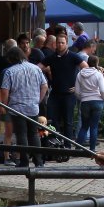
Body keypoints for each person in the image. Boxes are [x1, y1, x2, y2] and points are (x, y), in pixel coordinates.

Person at [0, 43, 48, 166]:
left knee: (21, 134)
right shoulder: (36, 68)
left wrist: (4, 105)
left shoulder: (9, 72)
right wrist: (38, 100)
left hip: (17, 108)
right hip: (33, 107)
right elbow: (44, 86)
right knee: (34, 134)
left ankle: (24, 162)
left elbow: (5, 91)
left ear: (11, 58)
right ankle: (38, 161)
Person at [42, 26, 82, 154]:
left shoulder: (73, 57)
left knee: (68, 121)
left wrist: (79, 86)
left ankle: (68, 146)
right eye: (58, 43)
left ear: (67, 43)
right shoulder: (52, 57)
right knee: (52, 119)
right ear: (55, 44)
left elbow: (86, 69)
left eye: (62, 43)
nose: (60, 45)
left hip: (69, 94)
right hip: (55, 93)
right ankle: (55, 142)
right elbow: (38, 68)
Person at [74, 52, 104, 152]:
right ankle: (92, 149)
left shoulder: (80, 74)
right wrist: (103, 98)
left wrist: (82, 98)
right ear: (97, 63)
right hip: (97, 101)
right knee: (94, 126)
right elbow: (102, 90)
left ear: (87, 62)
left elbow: (77, 91)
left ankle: (78, 147)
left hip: (85, 102)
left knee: (84, 126)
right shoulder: (98, 74)